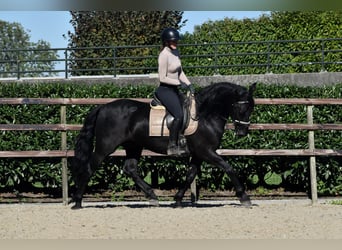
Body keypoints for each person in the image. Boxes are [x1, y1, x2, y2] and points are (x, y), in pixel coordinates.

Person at [155, 27, 193, 156]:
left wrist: (188, 84)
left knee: (188, 108)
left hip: (175, 89)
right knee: (178, 114)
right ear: (166, 41)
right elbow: (162, 77)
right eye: (173, 41)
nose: (175, 43)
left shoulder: (176, 52)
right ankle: (172, 145)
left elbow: (180, 72)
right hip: (165, 90)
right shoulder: (163, 55)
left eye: (176, 41)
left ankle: (183, 139)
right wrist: (178, 83)